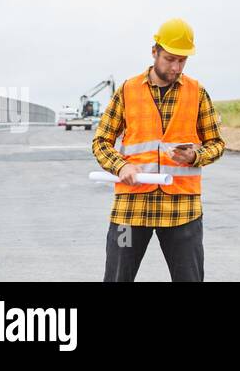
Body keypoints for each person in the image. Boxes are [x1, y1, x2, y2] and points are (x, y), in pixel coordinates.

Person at [92, 17, 224, 281]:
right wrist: (122, 165)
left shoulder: (197, 93)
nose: (176, 67)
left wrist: (195, 156)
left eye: (182, 61)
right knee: (118, 277)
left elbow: (217, 144)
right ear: (155, 52)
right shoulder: (128, 91)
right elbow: (101, 142)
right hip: (132, 206)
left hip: (181, 208)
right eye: (169, 59)